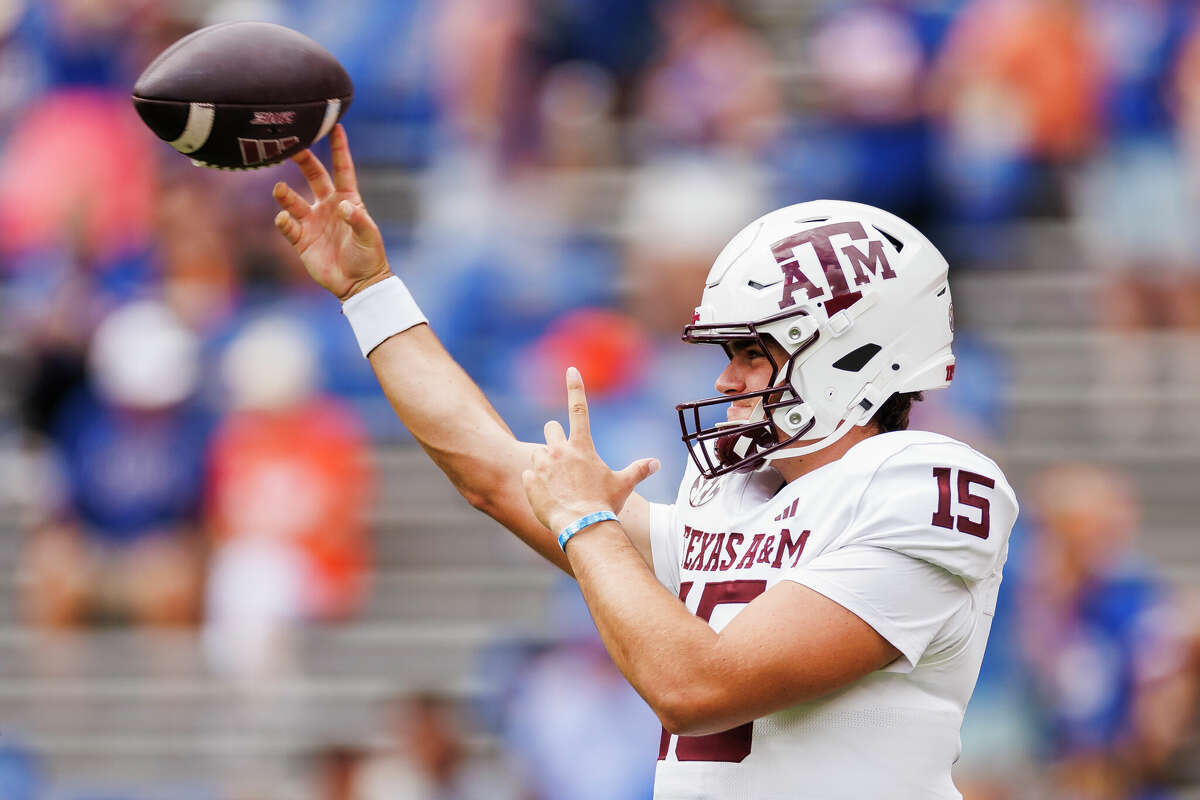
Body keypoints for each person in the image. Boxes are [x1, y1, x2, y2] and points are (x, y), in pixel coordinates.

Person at [271, 125, 1019, 799]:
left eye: (754, 355)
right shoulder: (731, 494)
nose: (726, 381)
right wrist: (370, 293)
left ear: (852, 356)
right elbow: (493, 473)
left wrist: (589, 521)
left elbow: (697, 686)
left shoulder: (928, 485)